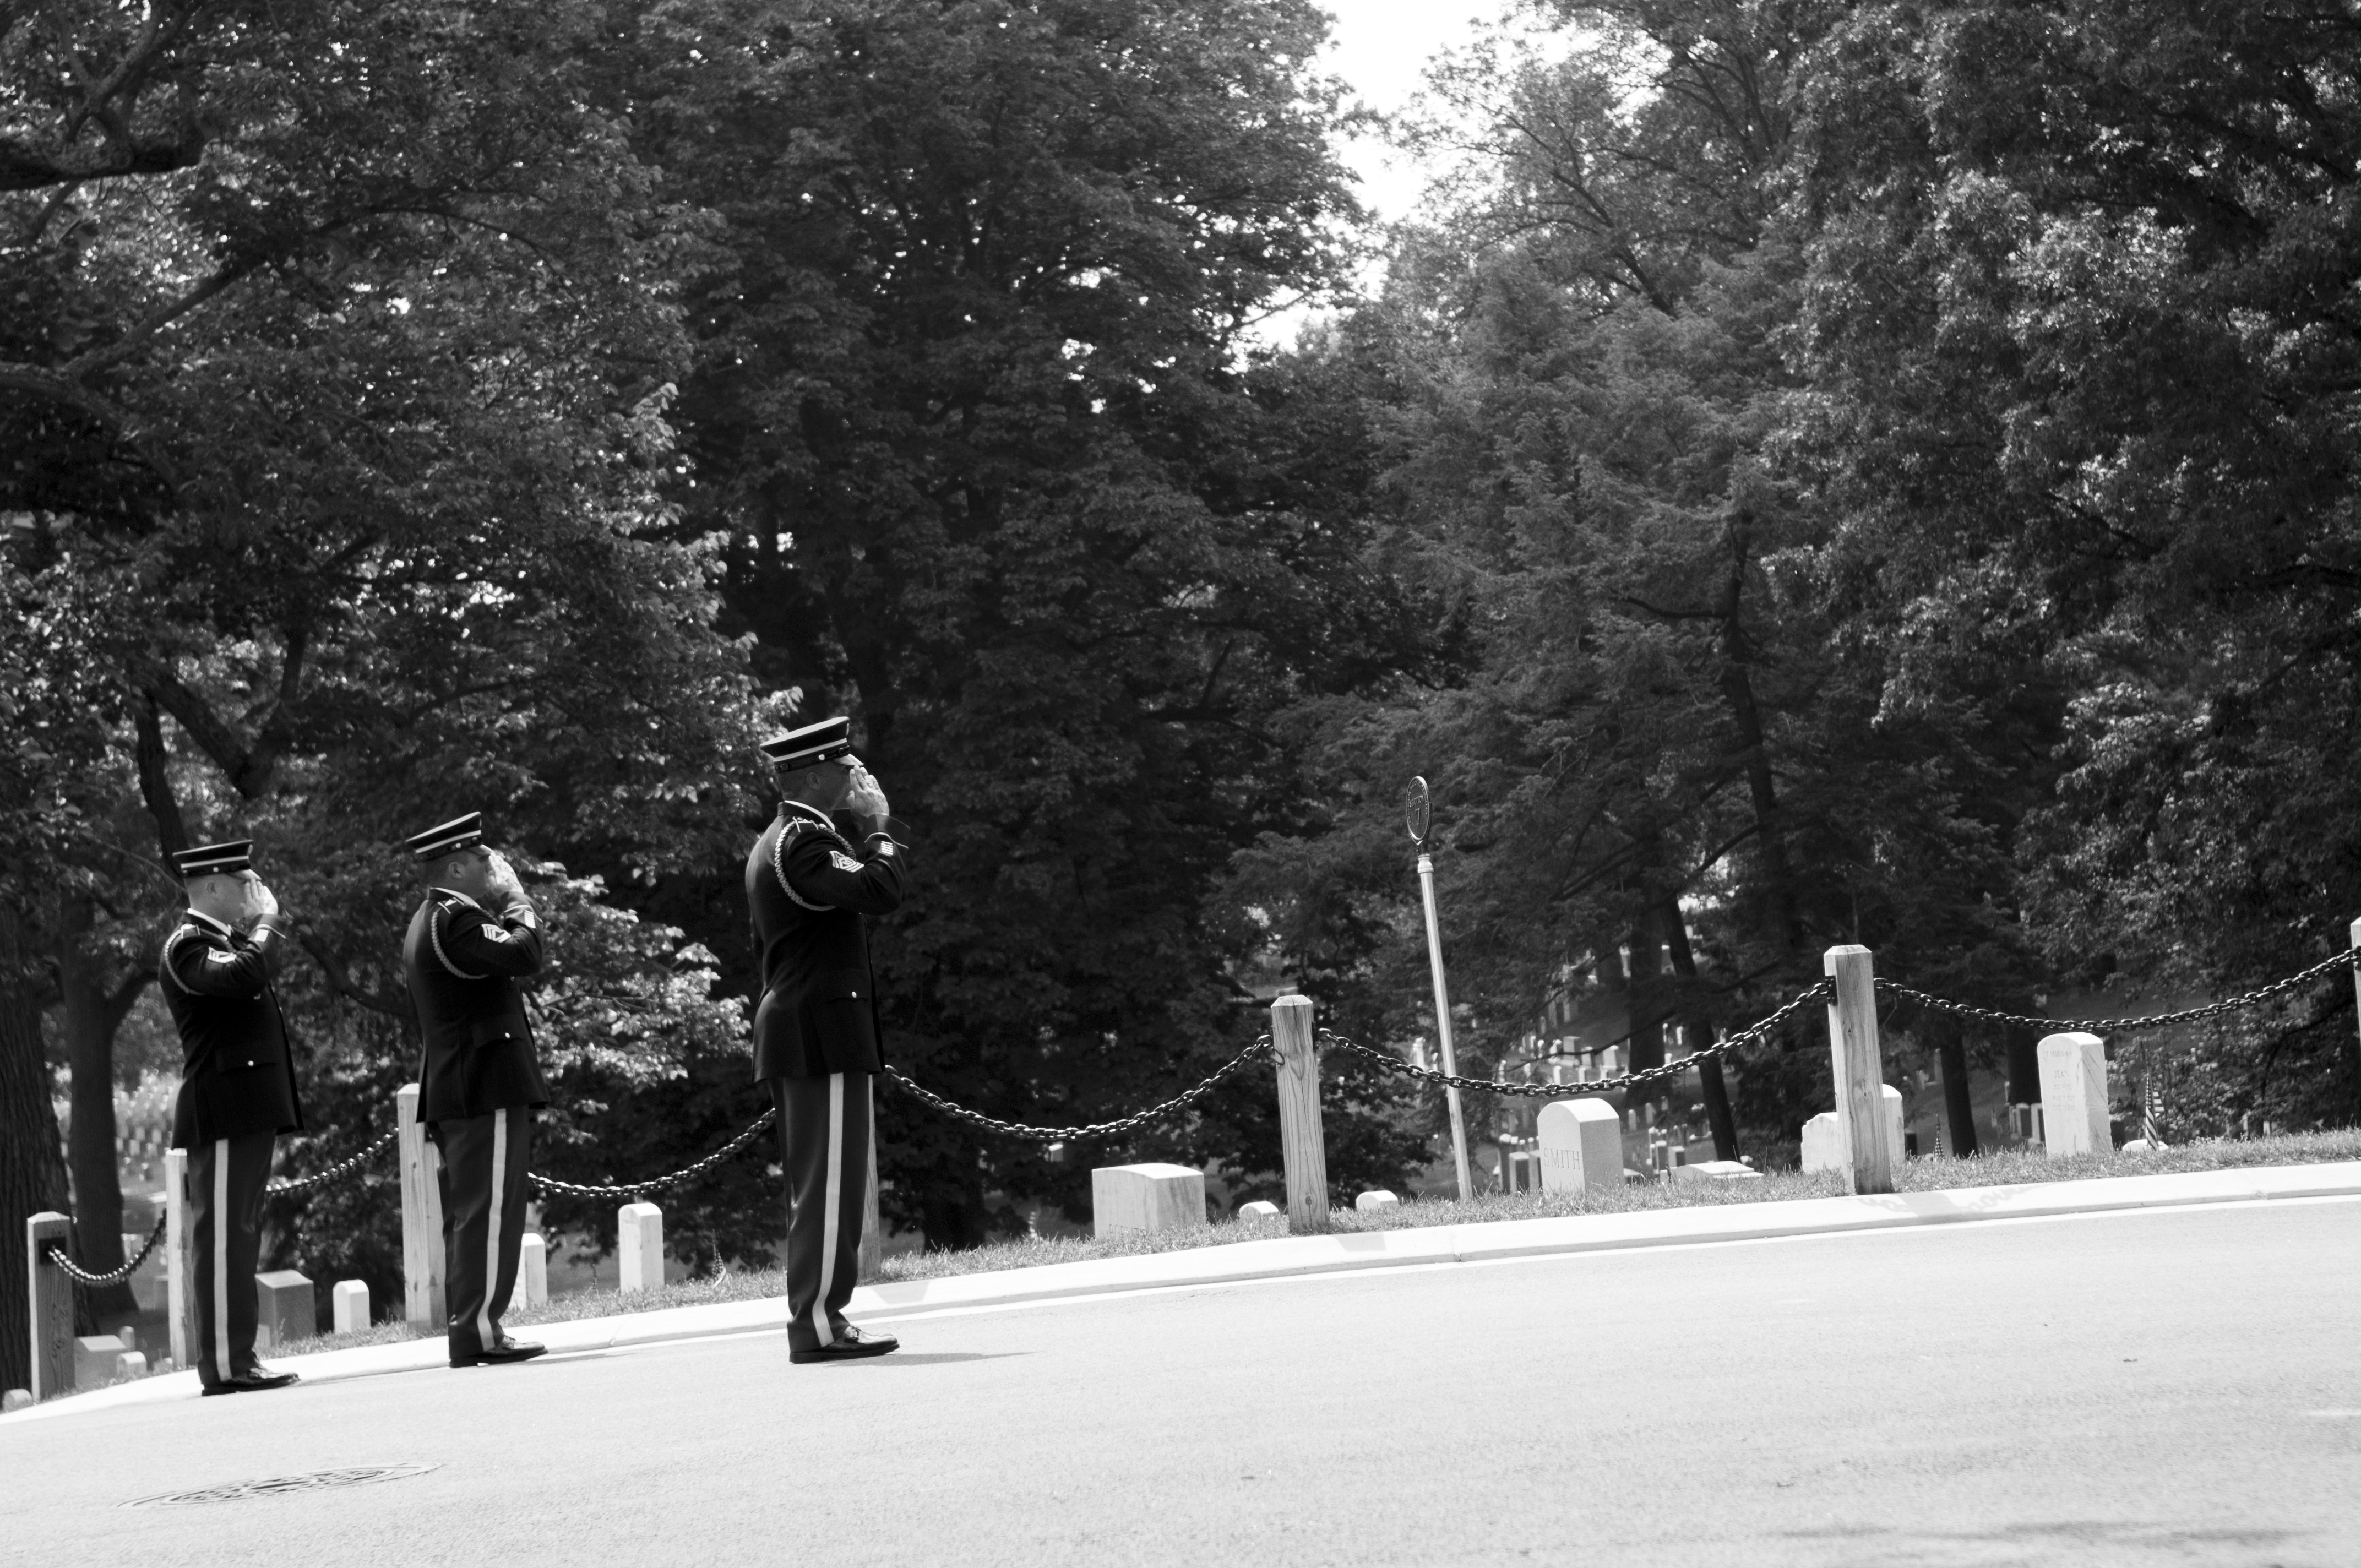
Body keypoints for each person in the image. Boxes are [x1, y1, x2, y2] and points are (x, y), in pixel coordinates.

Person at [746, 716, 907, 1363]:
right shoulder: (803, 842)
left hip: (809, 1028)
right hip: (818, 1030)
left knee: (826, 1184)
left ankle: (823, 1318)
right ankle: (816, 1323)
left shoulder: (789, 838)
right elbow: (880, 890)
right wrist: (879, 826)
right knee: (827, 1187)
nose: (857, 776)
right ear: (813, 777)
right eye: (845, 768)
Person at [401, 812, 549, 1369]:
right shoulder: (456, 919)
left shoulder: (431, 919)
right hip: (484, 1084)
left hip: (465, 1084)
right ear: (457, 868)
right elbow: (525, 954)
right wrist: (516, 899)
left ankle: (473, 1327)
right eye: (483, 859)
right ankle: (480, 1330)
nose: (495, 866)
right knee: (489, 1213)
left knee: (472, 1214)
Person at [159, 840, 305, 1396]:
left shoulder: (227, 942)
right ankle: (225, 1363)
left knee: (240, 1235)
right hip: (222, 1111)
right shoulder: (188, 946)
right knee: (223, 1239)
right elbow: (245, 976)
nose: (257, 892)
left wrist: (261, 929)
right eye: (247, 883)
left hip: (246, 1110)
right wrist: (268, 921)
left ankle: (239, 1355)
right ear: (214, 887)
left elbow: (252, 969)